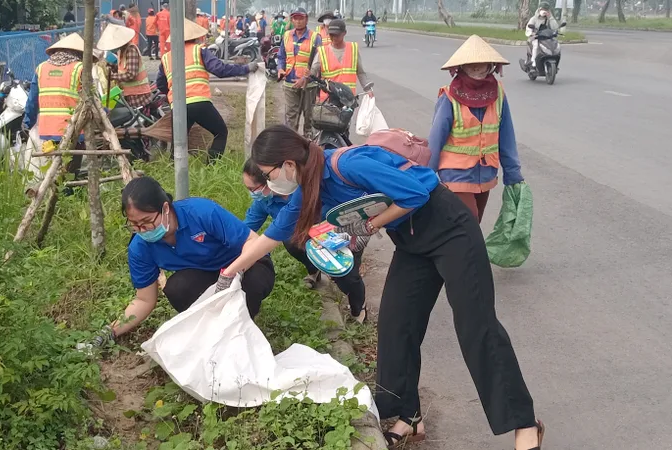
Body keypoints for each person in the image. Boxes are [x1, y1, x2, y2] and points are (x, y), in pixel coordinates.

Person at [219, 125, 544, 450]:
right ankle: (409, 416)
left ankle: (524, 424)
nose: (269, 184)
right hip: (411, 241)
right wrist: (229, 272)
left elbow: (415, 194)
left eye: (269, 175)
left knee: (476, 325)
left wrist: (367, 226)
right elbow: (272, 236)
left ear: (288, 163)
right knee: (395, 324)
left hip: (449, 228)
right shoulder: (308, 188)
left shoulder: (347, 165)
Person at [89, 176, 276, 345]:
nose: (143, 230)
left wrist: (231, 273)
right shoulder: (140, 247)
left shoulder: (201, 212)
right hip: (205, 274)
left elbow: (252, 242)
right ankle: (213, 330)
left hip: (247, 265)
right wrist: (110, 331)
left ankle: (242, 330)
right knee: (177, 288)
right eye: (135, 225)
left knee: (252, 283)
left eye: (147, 221)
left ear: (165, 208)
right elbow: (144, 300)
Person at [242, 159, 371, 321]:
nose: (252, 194)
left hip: (340, 233)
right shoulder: (264, 201)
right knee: (291, 240)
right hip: (308, 236)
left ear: (270, 179)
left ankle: (358, 308)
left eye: (252, 189)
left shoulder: (307, 188)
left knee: (346, 277)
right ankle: (314, 269)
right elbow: (245, 230)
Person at [428, 35, 524, 222]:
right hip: (455, 175)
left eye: (482, 64)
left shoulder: (498, 94)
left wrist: (513, 173)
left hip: (485, 175)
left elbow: (506, 136)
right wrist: (426, 176)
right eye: (471, 64)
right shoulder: (449, 97)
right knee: (469, 223)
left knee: (474, 224)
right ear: (461, 67)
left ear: (491, 66)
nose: (476, 68)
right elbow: (435, 139)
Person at [156, 19, 258, 161]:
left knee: (177, 141)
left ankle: (173, 170)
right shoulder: (199, 51)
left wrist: (171, 96)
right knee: (220, 132)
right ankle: (211, 166)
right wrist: (245, 68)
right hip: (199, 102)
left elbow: (161, 84)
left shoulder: (166, 58)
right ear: (195, 37)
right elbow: (220, 70)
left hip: (178, 105)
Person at [23, 34, 106, 195]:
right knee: (70, 171)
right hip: (73, 130)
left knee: (52, 169)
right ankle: (66, 197)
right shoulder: (79, 69)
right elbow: (93, 100)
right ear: (79, 53)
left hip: (47, 132)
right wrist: (104, 116)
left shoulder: (41, 68)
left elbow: (32, 101)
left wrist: (27, 123)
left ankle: (53, 196)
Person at [276, 8, 322, 137]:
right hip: (289, 83)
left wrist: (306, 78)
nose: (298, 21)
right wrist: (280, 69)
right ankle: (291, 143)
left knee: (309, 117)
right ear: (292, 20)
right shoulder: (287, 35)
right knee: (291, 118)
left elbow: (319, 62)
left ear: (306, 19)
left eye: (301, 18)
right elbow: (281, 56)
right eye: (295, 18)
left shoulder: (315, 37)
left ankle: (309, 143)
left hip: (309, 85)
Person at [310, 19, 372, 103]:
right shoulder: (322, 52)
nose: (334, 38)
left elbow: (360, 72)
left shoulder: (352, 49)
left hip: (348, 99)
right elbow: (313, 72)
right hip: (328, 99)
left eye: (337, 35)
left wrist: (368, 89)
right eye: (331, 35)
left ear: (344, 33)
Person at [97, 24, 150, 109]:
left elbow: (131, 75)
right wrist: (112, 67)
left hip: (138, 94)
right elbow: (122, 70)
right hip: (128, 93)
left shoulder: (131, 50)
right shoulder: (120, 51)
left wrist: (112, 76)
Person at [525, 2, 559, 70]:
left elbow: (555, 27)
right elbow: (528, 28)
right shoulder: (534, 19)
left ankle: (554, 60)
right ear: (539, 9)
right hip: (536, 37)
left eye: (546, 10)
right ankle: (533, 61)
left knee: (555, 44)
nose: (544, 11)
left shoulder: (549, 19)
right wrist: (531, 33)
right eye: (543, 9)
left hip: (546, 37)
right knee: (536, 45)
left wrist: (550, 17)